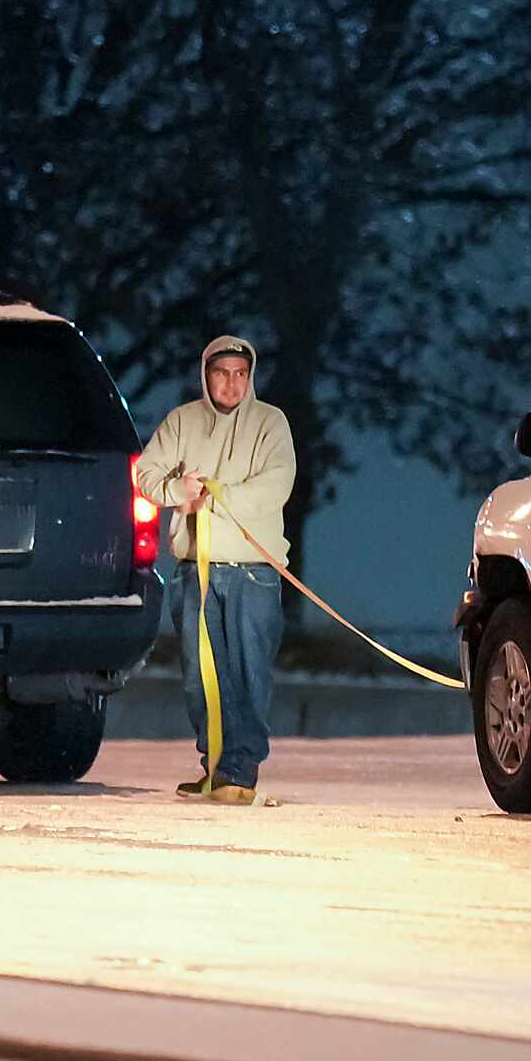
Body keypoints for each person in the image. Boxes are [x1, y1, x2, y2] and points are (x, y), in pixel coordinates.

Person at [137, 336, 295, 806]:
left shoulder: (271, 422)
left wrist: (217, 495)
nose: (231, 383)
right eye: (222, 373)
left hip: (252, 572)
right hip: (192, 570)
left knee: (248, 673)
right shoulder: (182, 421)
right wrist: (177, 491)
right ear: (206, 375)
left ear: (251, 377)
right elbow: (146, 473)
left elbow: (277, 484)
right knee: (200, 676)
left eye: (240, 374)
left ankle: (240, 769)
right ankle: (216, 764)